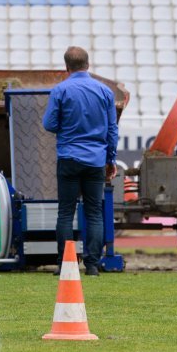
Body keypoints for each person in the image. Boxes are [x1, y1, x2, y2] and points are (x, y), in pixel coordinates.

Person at [42, 46, 118, 277]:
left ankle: (65, 264)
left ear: (66, 67)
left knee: (66, 212)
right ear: (88, 64)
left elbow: (49, 124)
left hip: (69, 157)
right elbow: (112, 130)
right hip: (96, 160)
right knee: (94, 212)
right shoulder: (105, 92)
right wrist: (111, 159)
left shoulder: (60, 90)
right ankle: (92, 265)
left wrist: (66, 128)